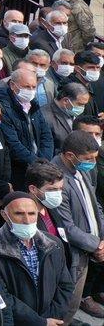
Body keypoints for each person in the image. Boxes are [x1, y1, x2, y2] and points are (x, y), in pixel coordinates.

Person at [0, 192, 74, 326]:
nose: (27, 220)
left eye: (32, 213)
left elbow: (65, 284)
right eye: (19, 214)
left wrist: (51, 318)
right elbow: (1, 295)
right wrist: (39, 322)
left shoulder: (53, 243)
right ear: (4, 215)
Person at [53, 129, 104, 320]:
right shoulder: (56, 179)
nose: (92, 162)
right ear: (70, 156)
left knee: (72, 305)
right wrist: (96, 245)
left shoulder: (83, 170)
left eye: (94, 158)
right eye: (88, 158)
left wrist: (102, 239)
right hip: (72, 253)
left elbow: (95, 206)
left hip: (90, 246)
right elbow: (66, 227)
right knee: (66, 306)